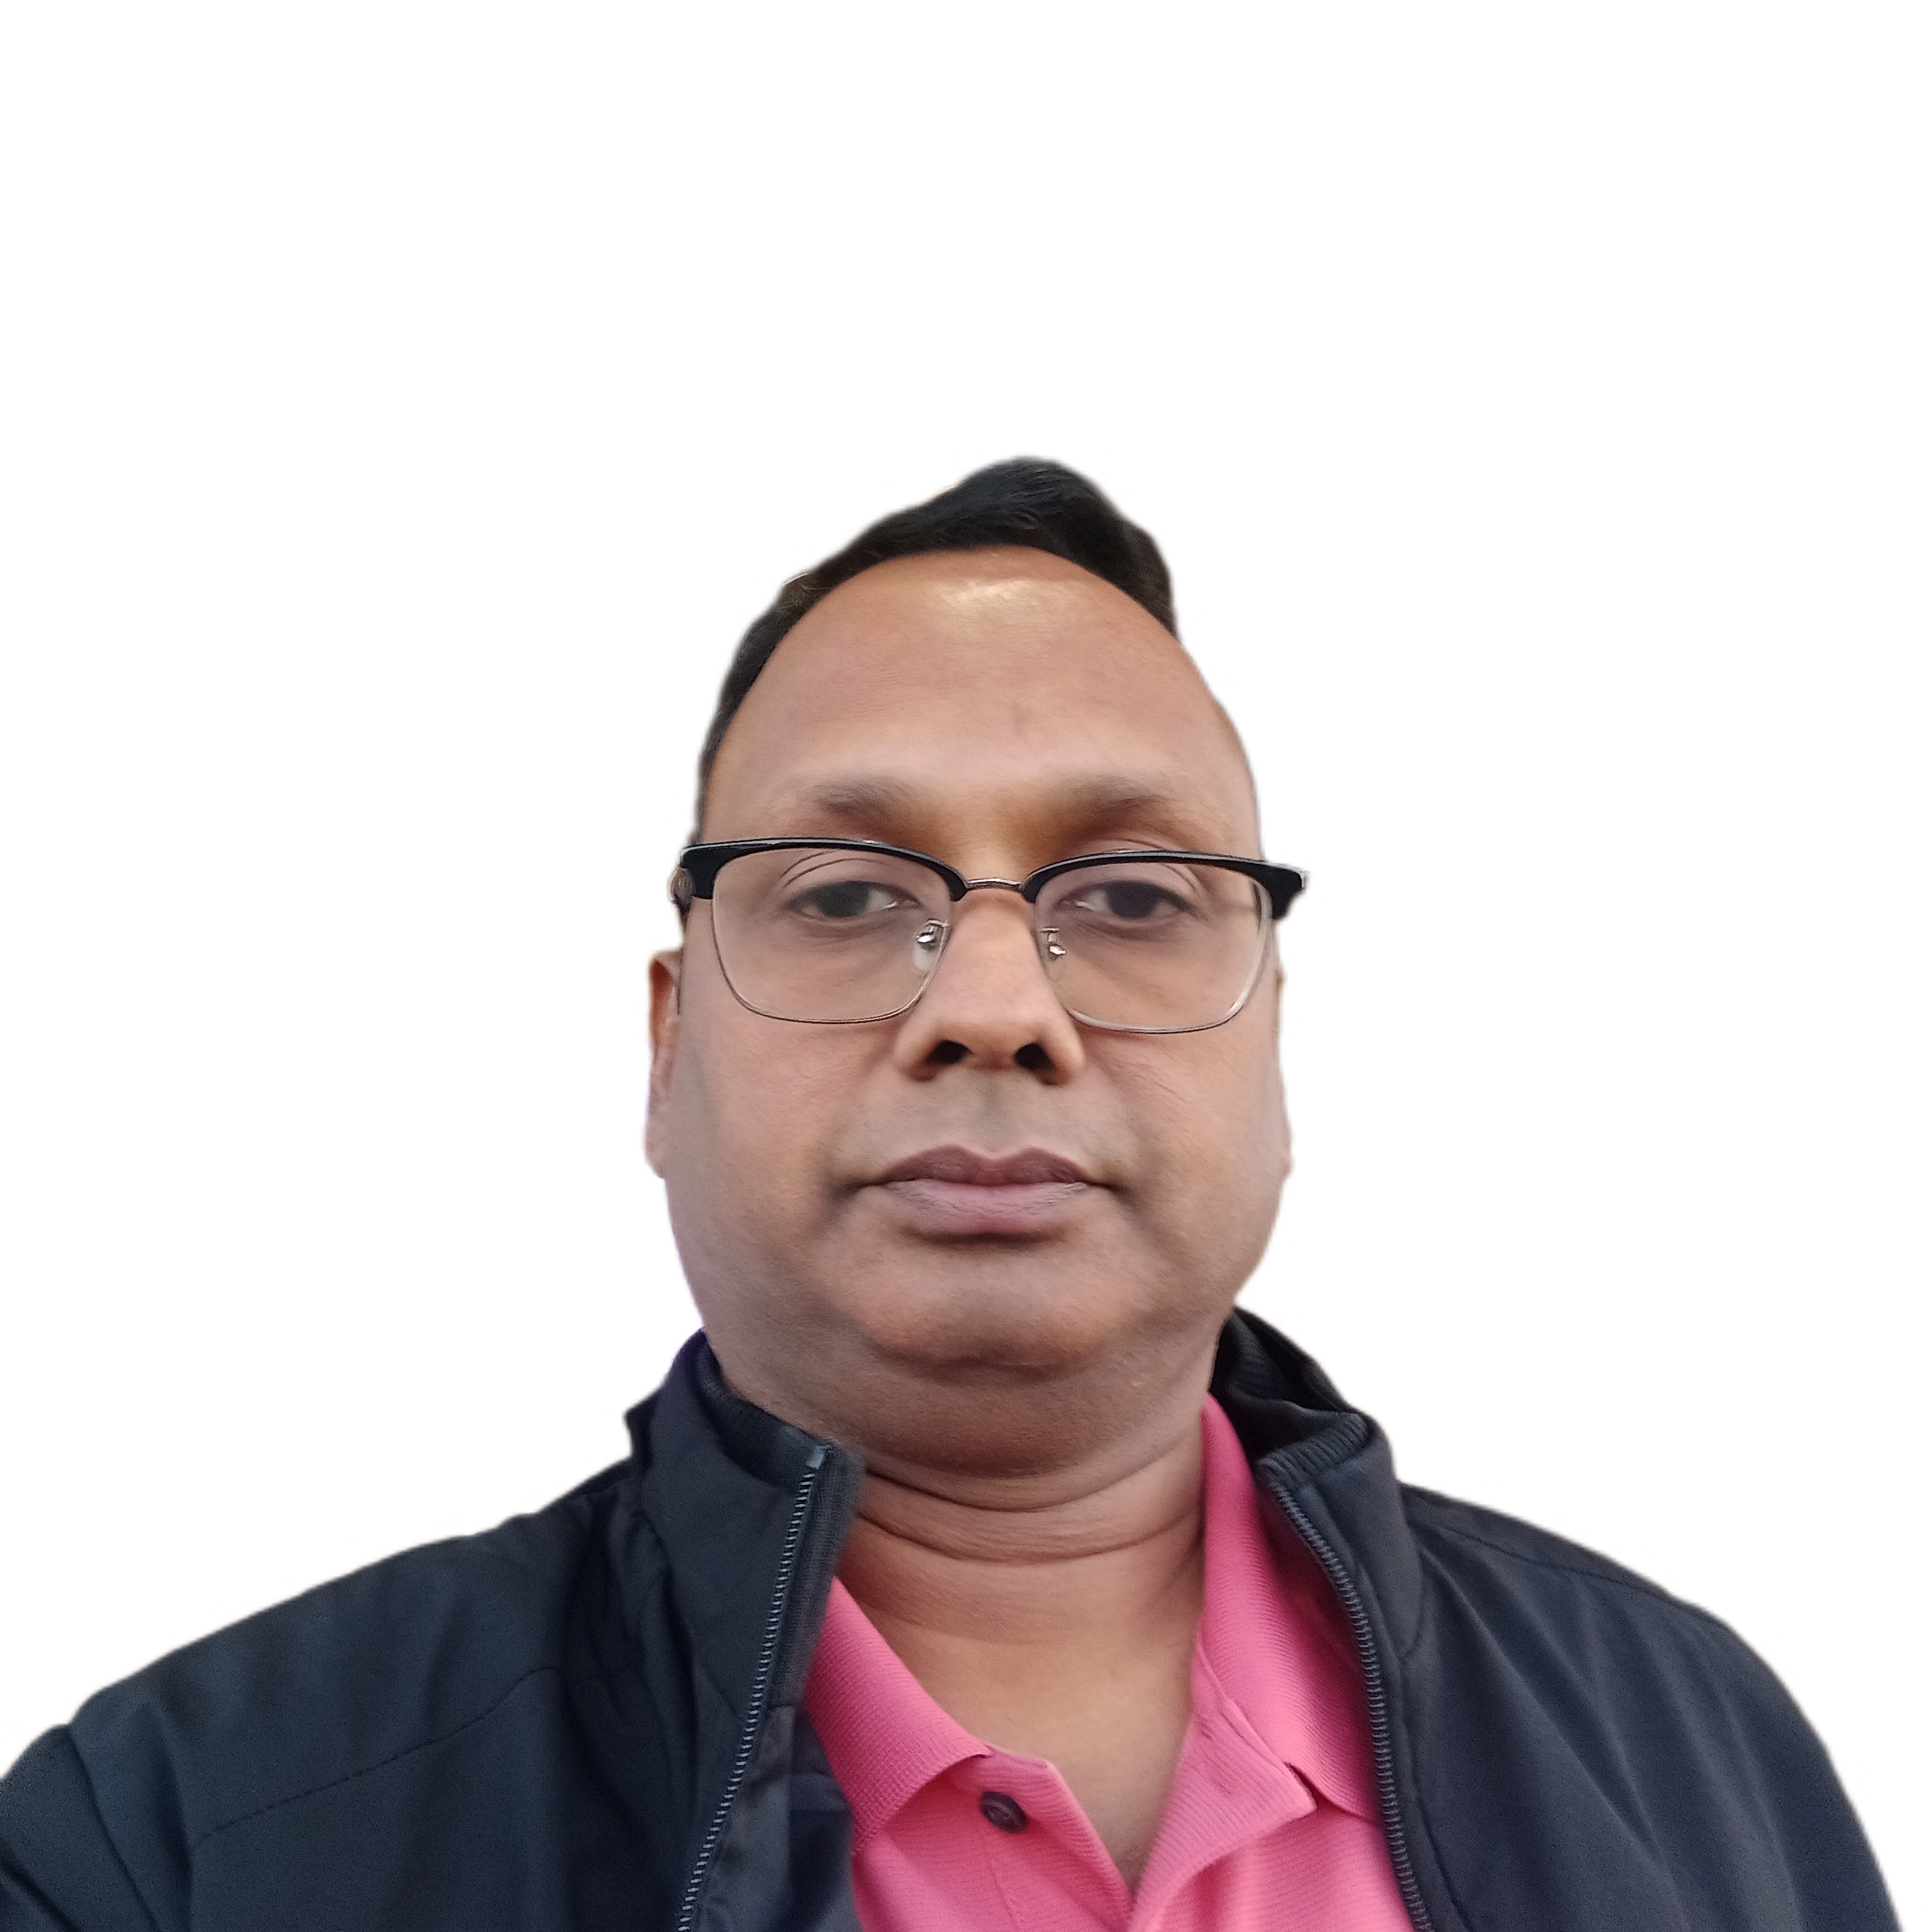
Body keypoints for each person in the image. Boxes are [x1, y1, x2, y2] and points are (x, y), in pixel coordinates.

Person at [0, 461, 1896, 1932]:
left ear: (1272, 1038)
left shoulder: (1692, 1752)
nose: (995, 1007)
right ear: (665, 1047)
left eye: (1131, 900)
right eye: (845, 896)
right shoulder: (171, 1844)